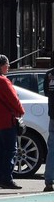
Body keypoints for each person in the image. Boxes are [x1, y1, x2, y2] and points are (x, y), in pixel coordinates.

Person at [0, 54, 25, 190]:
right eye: (6, 64)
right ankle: (7, 179)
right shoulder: (3, 81)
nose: (8, 66)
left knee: (1, 149)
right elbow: (14, 99)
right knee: (10, 150)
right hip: (6, 119)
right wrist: (21, 111)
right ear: (1, 66)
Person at [44, 64, 54, 192]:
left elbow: (46, 92)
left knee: (52, 149)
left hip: (53, 115)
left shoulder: (49, 74)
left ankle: (49, 180)